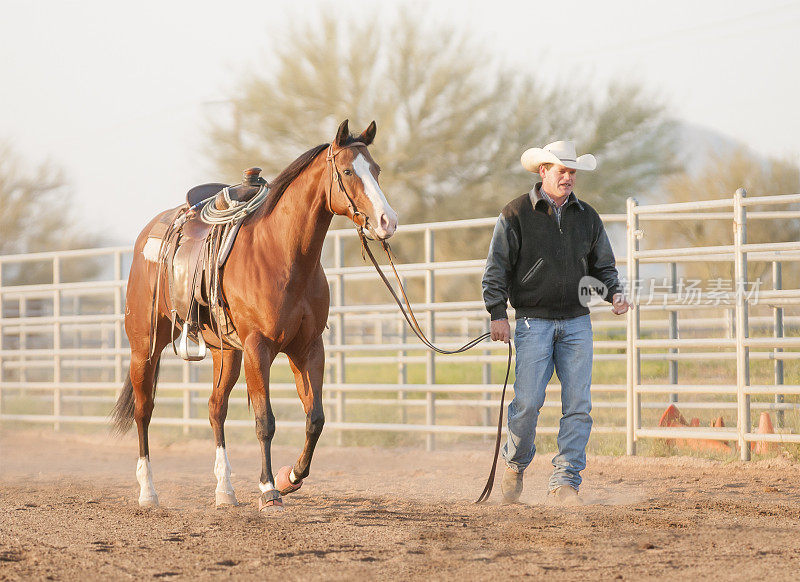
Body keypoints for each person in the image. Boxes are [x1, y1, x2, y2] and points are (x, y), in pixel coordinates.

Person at [481, 140, 629, 505]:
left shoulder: (587, 217)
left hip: (577, 322)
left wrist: (615, 293)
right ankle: (515, 463)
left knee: (578, 404)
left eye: (572, 172)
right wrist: (497, 313)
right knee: (528, 403)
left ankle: (565, 482)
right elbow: (496, 269)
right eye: (561, 171)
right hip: (533, 322)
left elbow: (603, 265)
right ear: (543, 171)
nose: (568, 177)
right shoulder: (515, 214)